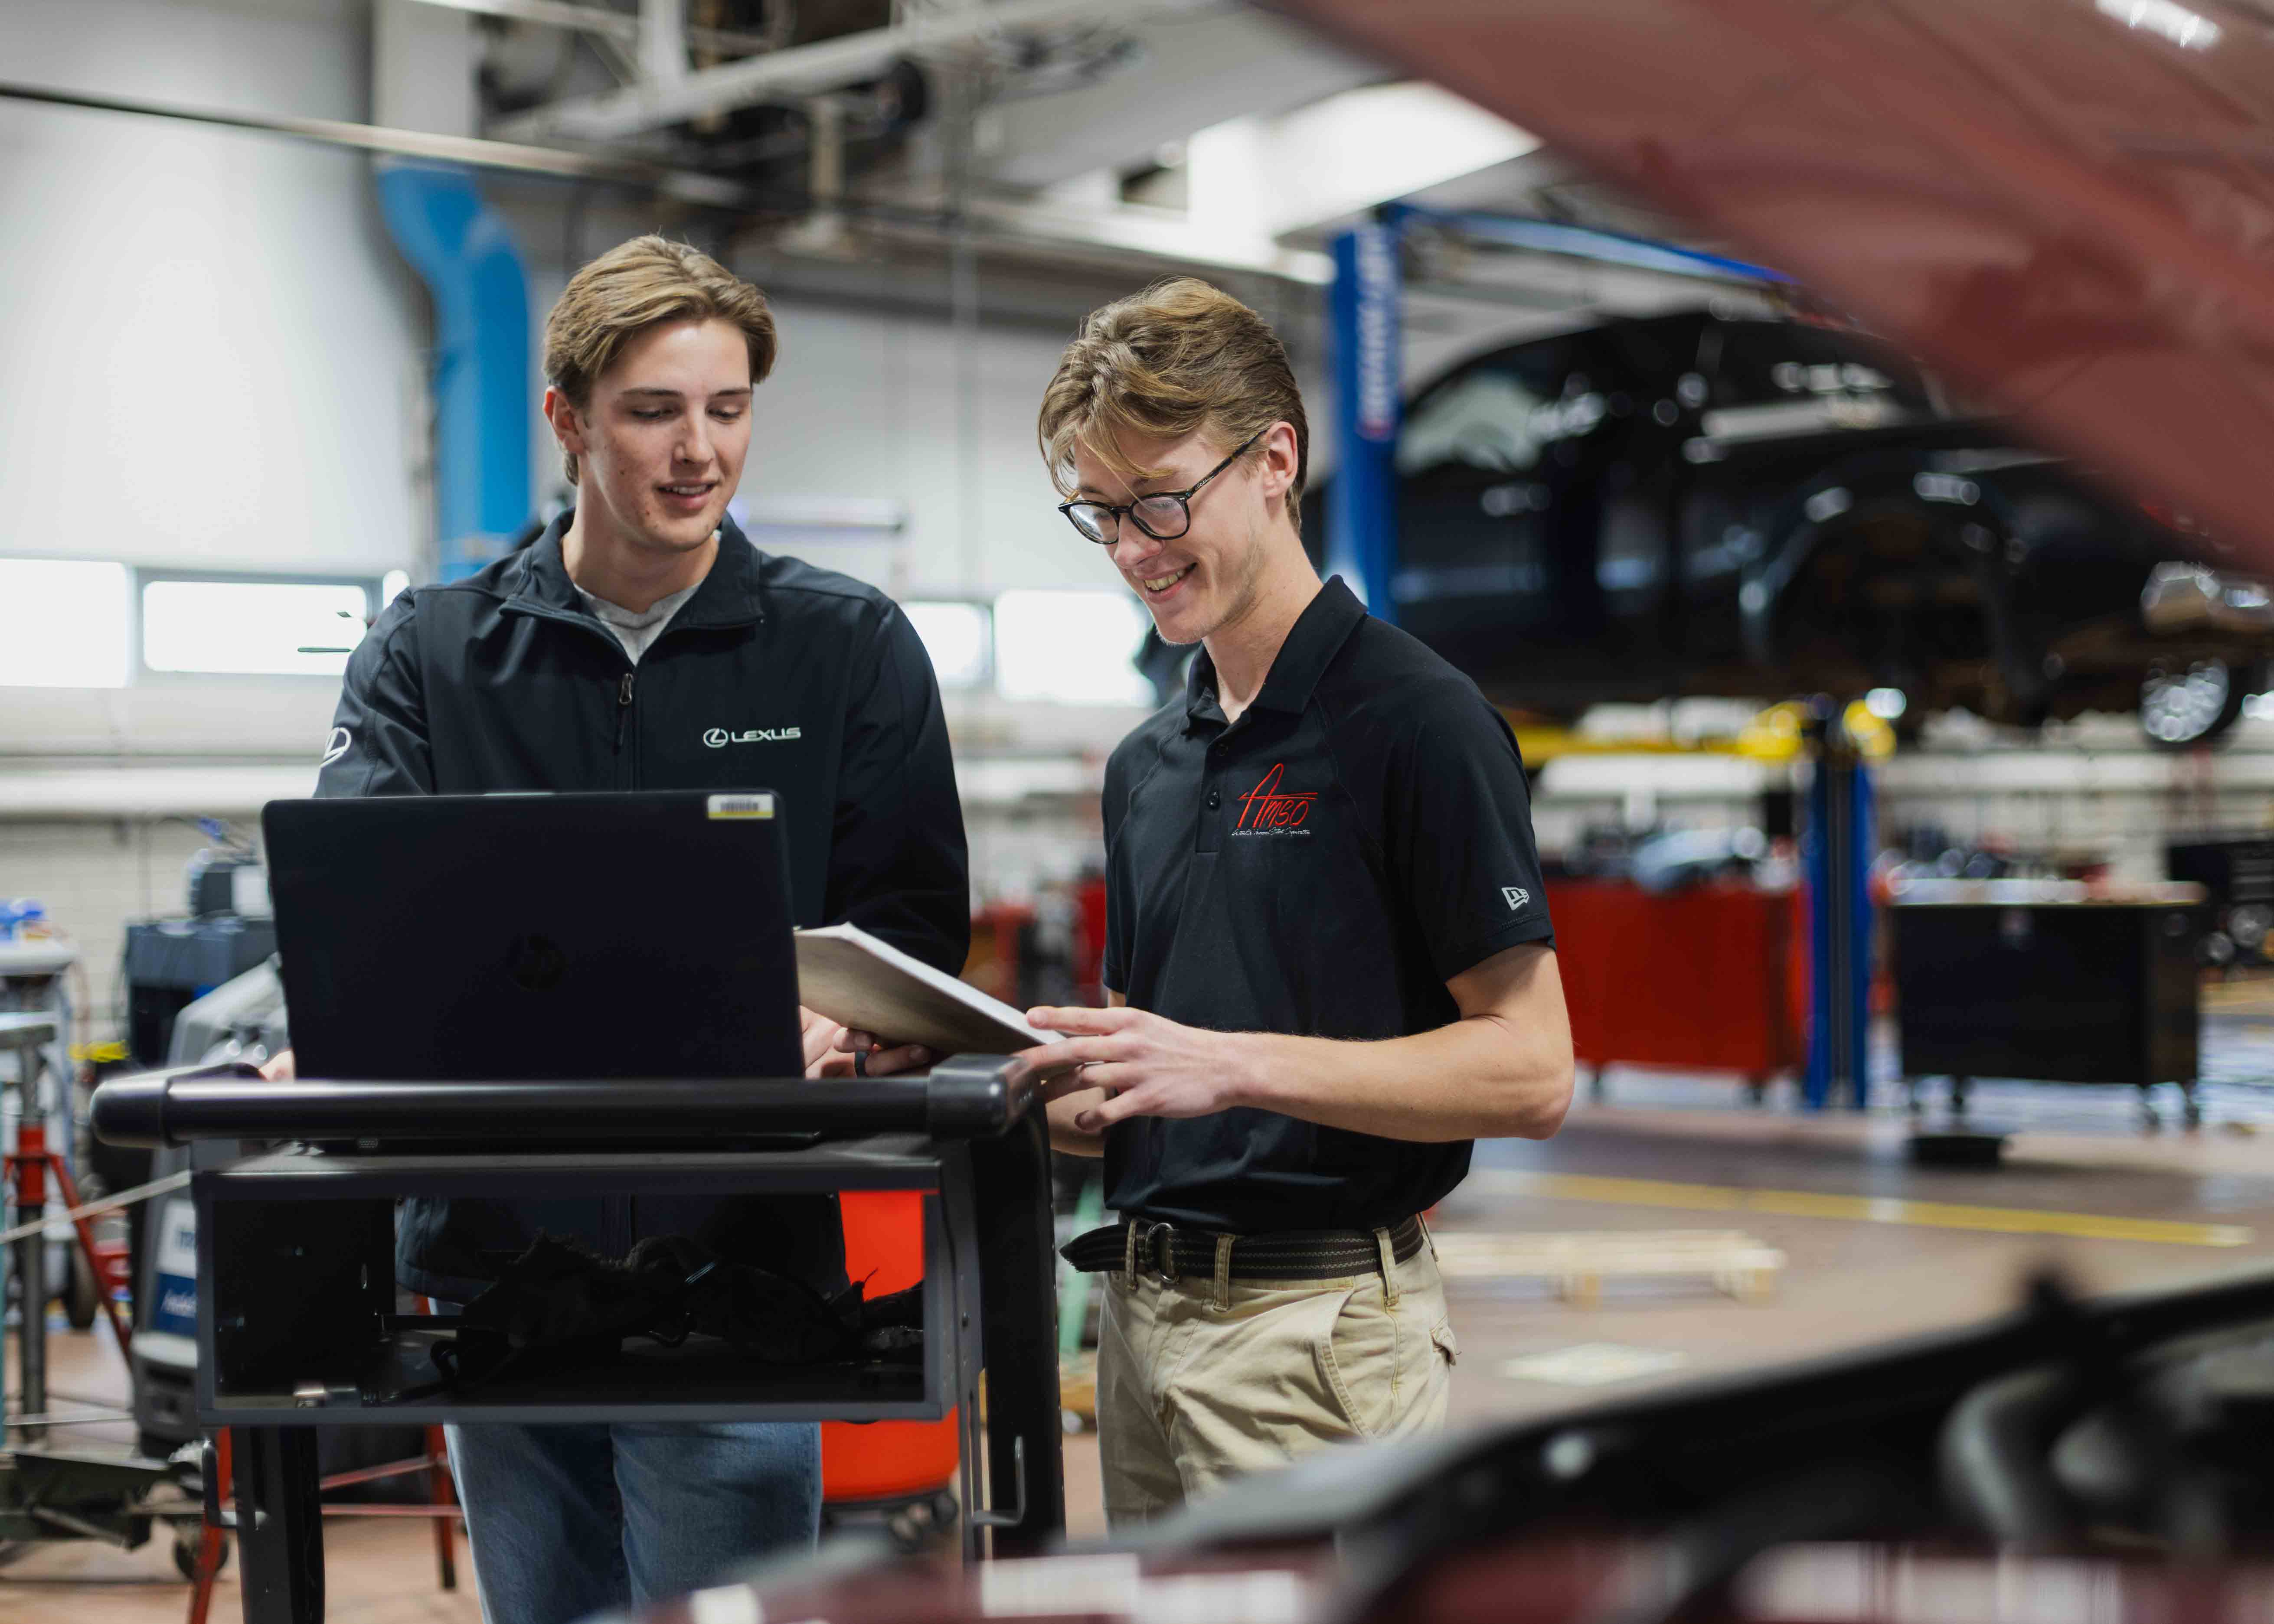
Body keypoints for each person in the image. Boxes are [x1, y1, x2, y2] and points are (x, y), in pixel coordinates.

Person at [272, 235, 965, 1622]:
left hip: (742, 1271)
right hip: (494, 1277)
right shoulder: (431, 654)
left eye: (727, 408)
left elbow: (911, 930)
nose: (698, 451)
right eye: (655, 410)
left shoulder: (846, 646)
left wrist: (858, 1012)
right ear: (568, 419)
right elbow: (365, 928)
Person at [1024, 278, 1575, 1525]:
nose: (1131, 551)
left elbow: (1531, 1071)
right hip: (1141, 1319)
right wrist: (995, 1073)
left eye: (1160, 500)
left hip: (1314, 1335)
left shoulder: (1416, 721)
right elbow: (1147, 1096)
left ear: (1274, 459)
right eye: (1100, 515)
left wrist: (1231, 1066)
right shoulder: (1145, 767)